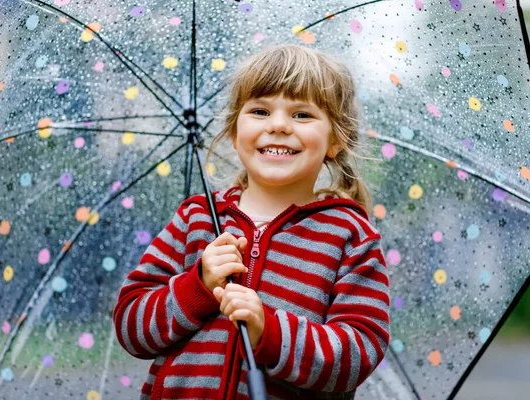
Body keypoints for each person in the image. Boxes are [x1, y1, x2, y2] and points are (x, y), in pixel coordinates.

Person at [112, 43, 390, 400]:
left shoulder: (349, 236)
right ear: (233, 130)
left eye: (302, 115)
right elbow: (131, 325)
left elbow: (357, 354)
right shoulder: (196, 219)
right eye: (260, 110)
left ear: (336, 139)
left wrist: (268, 332)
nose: (278, 125)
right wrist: (198, 286)